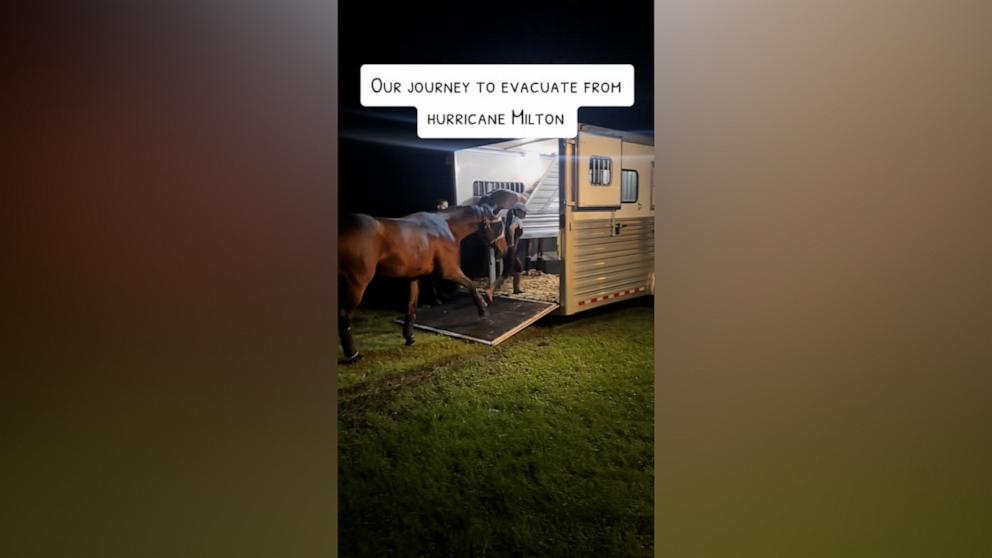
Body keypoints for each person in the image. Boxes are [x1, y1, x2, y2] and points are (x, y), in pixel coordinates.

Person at [495, 202, 528, 294]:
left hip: (509, 248)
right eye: (523, 212)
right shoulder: (517, 220)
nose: (525, 214)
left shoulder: (510, 219)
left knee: (518, 268)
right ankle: (492, 289)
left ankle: (516, 289)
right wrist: (512, 243)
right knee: (507, 272)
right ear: (517, 211)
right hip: (511, 249)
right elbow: (511, 229)